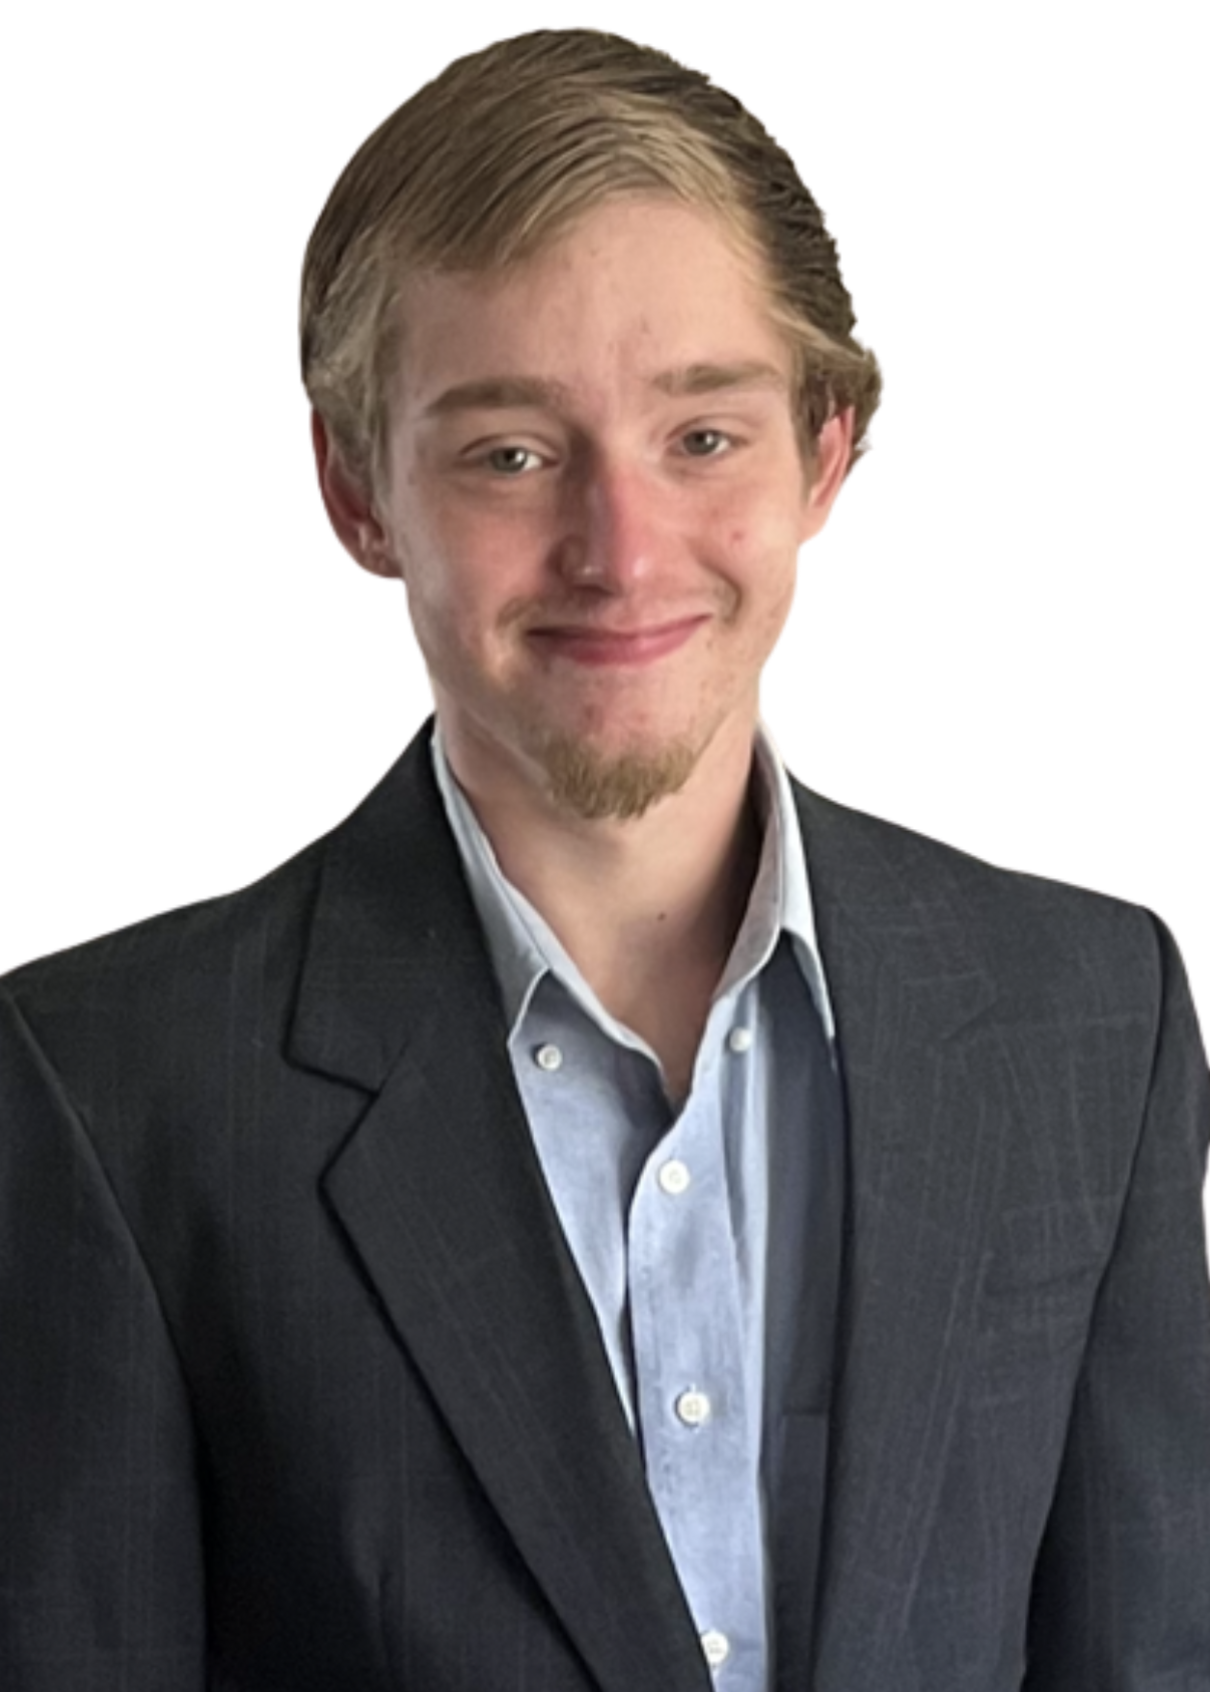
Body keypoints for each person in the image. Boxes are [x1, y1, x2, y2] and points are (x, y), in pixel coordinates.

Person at [2, 26, 1207, 1692]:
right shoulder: (103, 1092)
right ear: (358, 491)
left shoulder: (1093, 1021)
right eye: (509, 453)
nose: (619, 551)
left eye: (702, 437)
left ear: (824, 454)